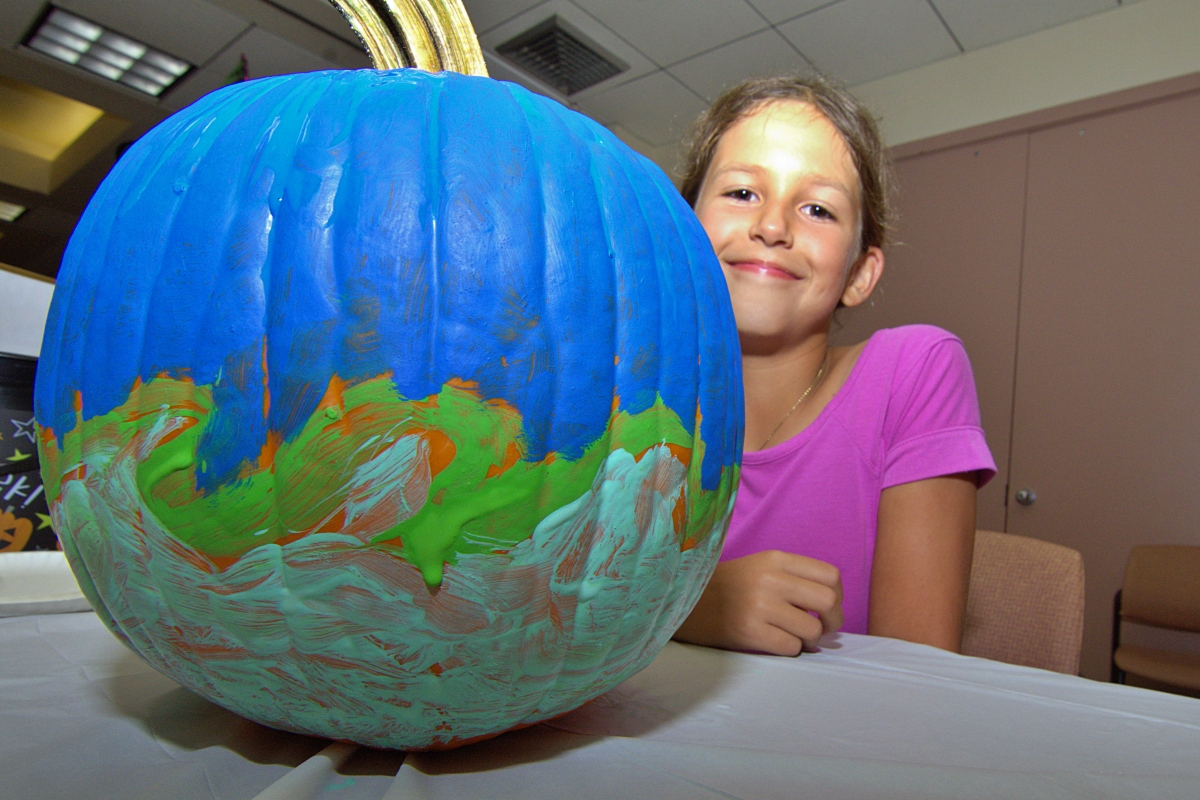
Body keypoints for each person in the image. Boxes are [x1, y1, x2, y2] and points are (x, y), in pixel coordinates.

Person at [672, 76, 996, 656]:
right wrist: (692, 604)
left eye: (818, 208)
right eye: (742, 193)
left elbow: (919, 670)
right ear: (680, 229)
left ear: (858, 274)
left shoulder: (915, 372)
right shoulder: (621, 395)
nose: (772, 226)